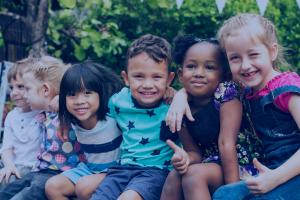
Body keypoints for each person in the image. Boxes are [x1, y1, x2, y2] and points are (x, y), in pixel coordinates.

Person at [160, 35, 261, 200]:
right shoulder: (180, 109)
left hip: (241, 165)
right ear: (180, 74)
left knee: (193, 176)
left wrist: (232, 192)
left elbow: (226, 143)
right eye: (191, 66)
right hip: (210, 164)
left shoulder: (226, 93)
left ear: (224, 74)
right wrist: (184, 159)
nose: (199, 73)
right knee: (175, 175)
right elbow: (194, 152)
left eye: (209, 67)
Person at [212, 13, 300, 200]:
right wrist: (180, 94)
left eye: (253, 55)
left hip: (292, 170)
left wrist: (275, 178)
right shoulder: (247, 92)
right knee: (224, 195)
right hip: (272, 169)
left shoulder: (287, 88)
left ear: (272, 51)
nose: (245, 65)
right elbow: (200, 87)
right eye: (235, 58)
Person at [90, 34, 178, 200]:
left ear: (169, 79)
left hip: (156, 172)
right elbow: (90, 113)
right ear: (126, 78)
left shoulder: (174, 105)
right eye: (139, 76)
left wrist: (179, 96)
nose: (147, 85)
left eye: (157, 77)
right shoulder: (117, 101)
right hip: (121, 169)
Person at [0, 56, 85, 200]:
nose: (24, 95)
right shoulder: (43, 114)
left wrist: (62, 99)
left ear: (45, 90)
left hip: (59, 173)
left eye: (26, 89)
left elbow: (82, 96)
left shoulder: (69, 110)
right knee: (4, 194)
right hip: (39, 171)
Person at [45, 62, 123, 200]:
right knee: (52, 187)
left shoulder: (112, 114)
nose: (79, 101)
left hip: (117, 170)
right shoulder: (72, 119)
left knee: (84, 187)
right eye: (72, 95)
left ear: (100, 94)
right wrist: (60, 104)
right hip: (89, 169)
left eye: (87, 93)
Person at [0, 58, 41, 188]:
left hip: (33, 168)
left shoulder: (44, 113)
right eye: (12, 87)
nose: (14, 93)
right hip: (13, 164)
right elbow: (7, 148)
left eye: (21, 87)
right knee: (6, 175)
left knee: (9, 181)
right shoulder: (12, 116)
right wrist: (9, 165)